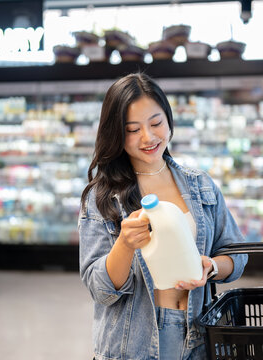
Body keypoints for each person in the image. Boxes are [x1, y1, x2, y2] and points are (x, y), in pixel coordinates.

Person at [79, 73, 247, 360]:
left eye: (156, 123)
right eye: (132, 130)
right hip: (132, 345)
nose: (148, 137)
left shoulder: (201, 185)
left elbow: (237, 255)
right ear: (117, 135)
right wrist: (125, 244)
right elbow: (100, 290)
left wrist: (211, 267)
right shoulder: (103, 198)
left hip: (199, 339)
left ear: (169, 120)